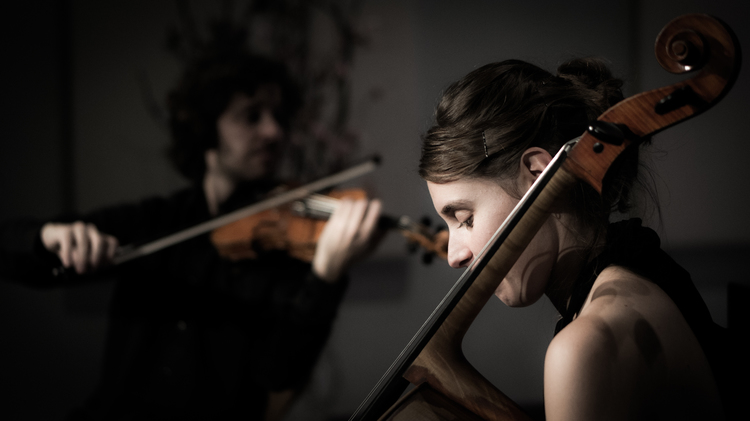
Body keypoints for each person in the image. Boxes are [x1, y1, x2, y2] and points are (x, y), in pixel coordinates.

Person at [0, 50, 381, 420]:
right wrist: (47, 237)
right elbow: (13, 254)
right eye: (252, 116)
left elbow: (277, 374)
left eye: (278, 116)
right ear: (206, 127)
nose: (273, 131)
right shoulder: (155, 220)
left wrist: (326, 275)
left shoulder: (285, 247)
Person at [419, 58, 741, 420]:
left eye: (465, 218)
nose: (453, 255)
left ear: (537, 175)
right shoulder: (644, 280)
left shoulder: (586, 346)